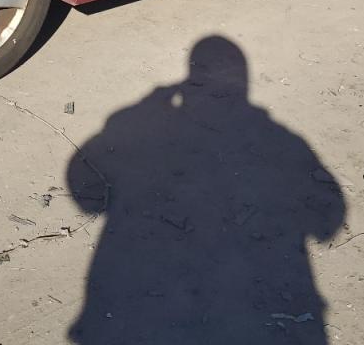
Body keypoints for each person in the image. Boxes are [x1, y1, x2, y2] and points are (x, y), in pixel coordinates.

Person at [68, 36, 345, 344]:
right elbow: (328, 222)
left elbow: (85, 190)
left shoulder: (150, 129)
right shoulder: (283, 140)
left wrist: (141, 110)